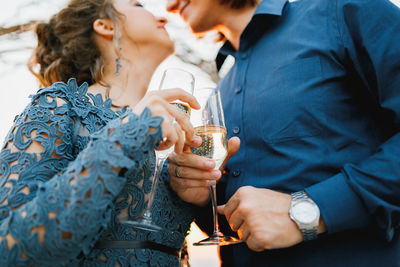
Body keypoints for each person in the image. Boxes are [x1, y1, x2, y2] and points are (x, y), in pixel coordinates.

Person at [166, 0, 400, 265]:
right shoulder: (218, 95)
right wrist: (202, 200)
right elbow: (243, 227)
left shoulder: (343, 12)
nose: (171, 6)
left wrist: (309, 211)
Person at [0, 0, 201, 266]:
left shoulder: (171, 131)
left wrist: (198, 198)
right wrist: (127, 134)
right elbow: (9, 247)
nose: (163, 19)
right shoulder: (58, 106)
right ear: (105, 26)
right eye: (138, 5)